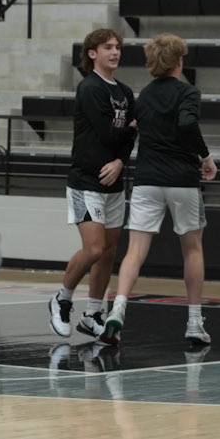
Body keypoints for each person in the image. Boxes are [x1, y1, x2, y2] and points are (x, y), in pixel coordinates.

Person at [101, 33, 216, 349]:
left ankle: (117, 310)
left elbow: (132, 129)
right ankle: (194, 323)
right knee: (192, 249)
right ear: (179, 60)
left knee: (135, 252)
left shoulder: (145, 95)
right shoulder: (188, 92)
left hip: (147, 180)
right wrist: (206, 157)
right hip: (182, 181)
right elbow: (187, 124)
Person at [48, 25, 135, 343]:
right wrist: (131, 128)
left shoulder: (125, 92)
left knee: (109, 251)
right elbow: (108, 134)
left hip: (114, 182)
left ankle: (93, 314)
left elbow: (126, 139)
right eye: (108, 47)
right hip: (86, 182)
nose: (115, 52)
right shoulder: (89, 88)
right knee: (94, 248)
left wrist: (120, 161)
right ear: (92, 53)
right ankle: (61, 299)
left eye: (117, 47)